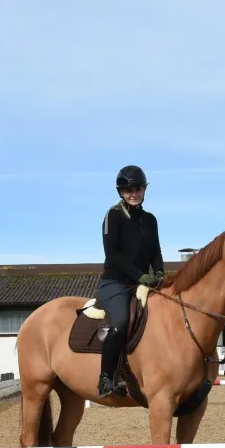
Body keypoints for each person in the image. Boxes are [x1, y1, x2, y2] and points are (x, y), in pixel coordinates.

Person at [97, 165, 166, 398]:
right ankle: (106, 378)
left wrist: (159, 273)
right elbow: (113, 255)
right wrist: (140, 275)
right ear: (121, 192)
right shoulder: (113, 215)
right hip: (115, 283)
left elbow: (156, 251)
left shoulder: (150, 220)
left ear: (144, 190)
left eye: (137, 189)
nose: (133, 193)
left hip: (142, 284)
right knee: (121, 322)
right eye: (128, 190)